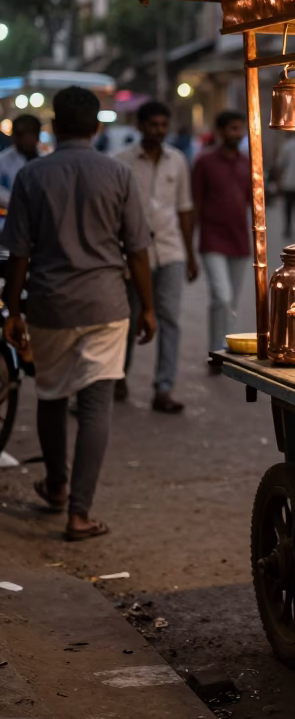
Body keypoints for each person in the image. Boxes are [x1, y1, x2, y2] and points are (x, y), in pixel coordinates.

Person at [2, 87, 155, 541]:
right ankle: (79, 513)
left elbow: (18, 253)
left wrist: (12, 310)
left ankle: (57, 486)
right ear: (96, 127)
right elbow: (139, 250)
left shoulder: (32, 176)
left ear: (53, 125)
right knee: (94, 405)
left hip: (48, 304)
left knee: (50, 394)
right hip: (106, 304)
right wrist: (147, 307)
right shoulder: (119, 174)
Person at [115, 101, 198, 413]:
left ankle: (163, 388)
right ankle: (119, 376)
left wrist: (190, 255)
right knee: (129, 318)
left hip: (171, 251)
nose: (159, 130)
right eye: (153, 125)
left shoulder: (178, 162)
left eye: (163, 125)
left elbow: (185, 209)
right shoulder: (121, 163)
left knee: (170, 320)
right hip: (134, 256)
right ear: (140, 126)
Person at [192, 111, 251, 355]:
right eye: (232, 129)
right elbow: (194, 204)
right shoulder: (204, 162)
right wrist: (188, 246)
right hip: (213, 240)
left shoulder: (248, 163)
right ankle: (218, 350)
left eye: (239, 129)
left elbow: (252, 202)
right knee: (222, 297)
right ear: (220, 131)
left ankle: (224, 347)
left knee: (230, 302)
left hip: (239, 240)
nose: (237, 134)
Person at [0, 114, 42, 209]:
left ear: (37, 135)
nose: (25, 139)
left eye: (30, 133)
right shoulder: (2, 160)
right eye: (20, 134)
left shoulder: (46, 159)